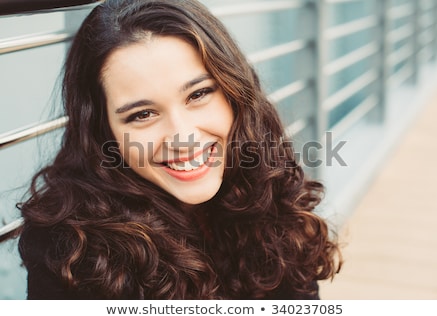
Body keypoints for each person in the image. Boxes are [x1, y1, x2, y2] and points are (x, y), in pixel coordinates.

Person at [9, 0, 342, 299]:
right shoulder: (69, 249)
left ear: (235, 94)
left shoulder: (267, 185)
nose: (183, 137)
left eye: (198, 95)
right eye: (142, 114)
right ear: (103, 133)